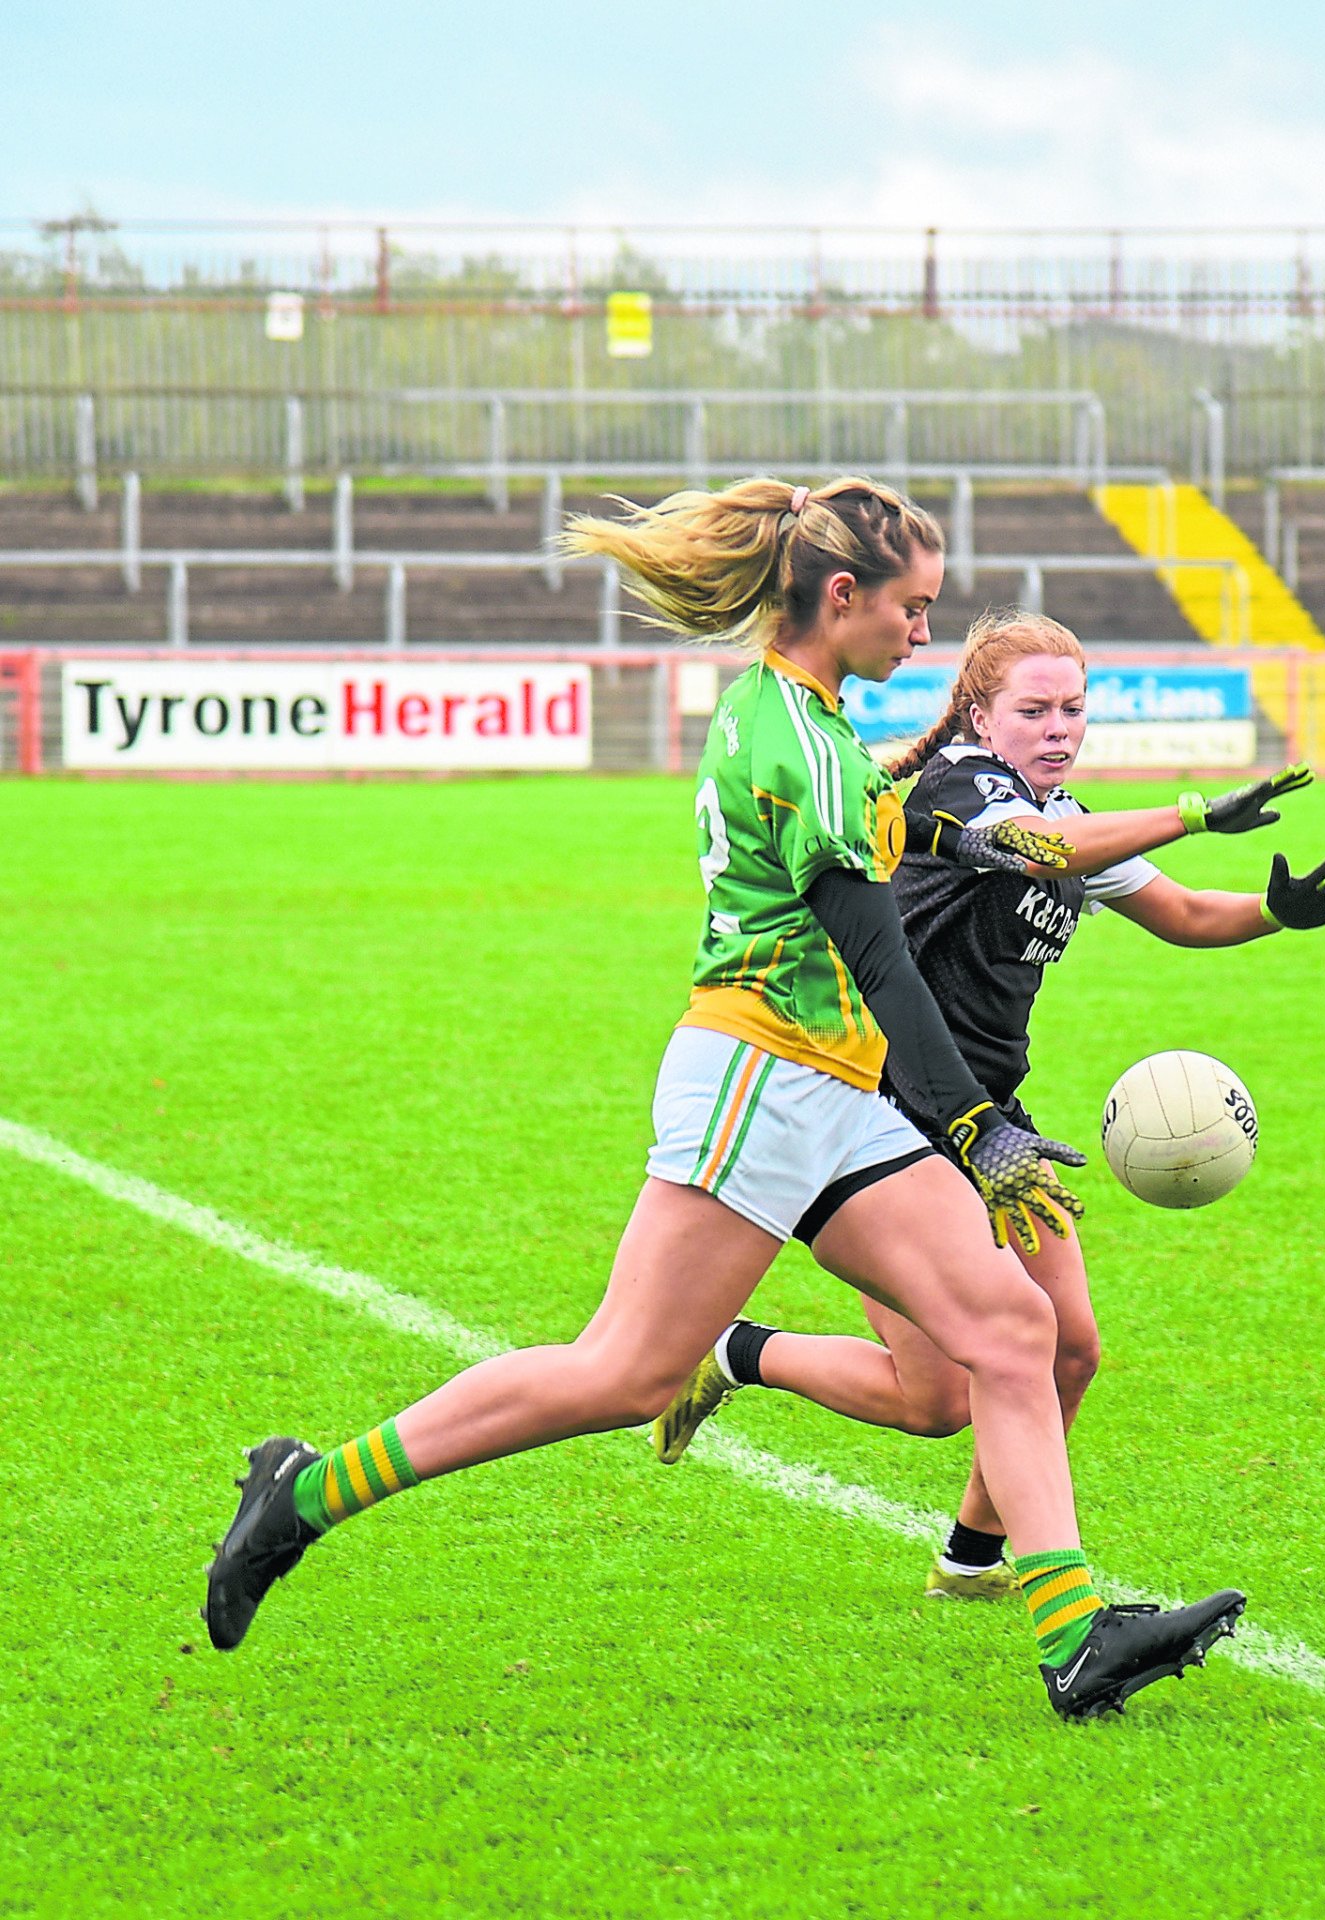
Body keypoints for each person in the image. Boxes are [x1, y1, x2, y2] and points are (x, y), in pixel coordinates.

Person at [203, 480, 1245, 1723]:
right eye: (912, 608)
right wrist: (977, 1126)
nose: (926, 635)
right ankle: (304, 1492)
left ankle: (1073, 1641)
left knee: (1009, 1333)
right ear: (841, 597)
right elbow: (874, 951)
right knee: (622, 1375)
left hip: (832, 1086)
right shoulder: (795, 735)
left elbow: (918, 831)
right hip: (760, 1079)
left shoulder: (805, 715)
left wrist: (1129, 826)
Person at [652, 609, 1325, 1602]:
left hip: (994, 1118)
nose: (1057, 727)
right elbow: (1040, 847)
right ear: (980, 718)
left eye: (1071, 708)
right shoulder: (959, 793)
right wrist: (1193, 812)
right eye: (1032, 710)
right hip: (891, 1114)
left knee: (1068, 1347)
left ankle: (973, 1559)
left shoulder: (1076, 818)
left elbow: (1180, 913)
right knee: (934, 1398)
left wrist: (1270, 914)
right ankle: (736, 1352)